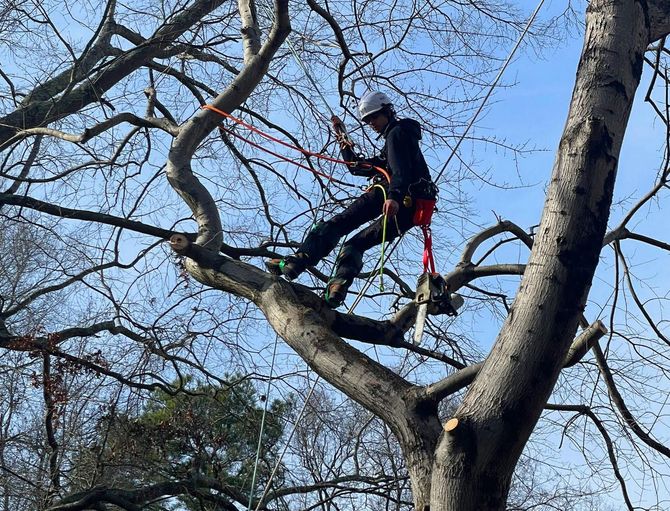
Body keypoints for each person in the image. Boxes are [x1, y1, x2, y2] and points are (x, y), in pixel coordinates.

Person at [266, 91, 437, 308]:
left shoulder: (397, 133)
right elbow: (357, 167)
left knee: (336, 225)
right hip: (413, 211)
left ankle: (298, 261)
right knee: (355, 245)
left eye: (374, 117)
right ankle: (337, 288)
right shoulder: (399, 139)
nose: (371, 123)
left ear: (387, 111)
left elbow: (399, 170)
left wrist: (393, 196)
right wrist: (342, 136)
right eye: (367, 121)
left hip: (395, 195)